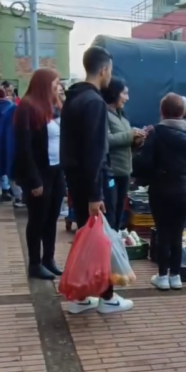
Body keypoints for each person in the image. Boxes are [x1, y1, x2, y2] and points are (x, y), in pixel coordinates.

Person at [60, 46, 133, 314]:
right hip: (95, 183)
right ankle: (107, 298)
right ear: (103, 70)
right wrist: (96, 194)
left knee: (86, 239)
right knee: (103, 240)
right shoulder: (94, 103)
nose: (109, 76)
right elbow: (94, 151)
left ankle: (81, 296)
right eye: (110, 71)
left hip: (77, 181)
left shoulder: (73, 98)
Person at [133, 93, 186, 291]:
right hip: (183, 189)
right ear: (182, 112)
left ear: (162, 111)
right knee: (178, 233)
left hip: (161, 188)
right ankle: (176, 276)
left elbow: (145, 162)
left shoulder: (157, 133)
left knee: (163, 232)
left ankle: (162, 276)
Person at [14, 68, 66, 280]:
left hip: (56, 171)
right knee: (37, 218)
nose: (59, 86)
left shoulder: (54, 107)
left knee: (52, 217)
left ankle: (49, 258)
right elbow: (24, 148)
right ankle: (35, 264)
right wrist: (34, 180)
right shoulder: (27, 107)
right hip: (38, 173)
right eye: (56, 83)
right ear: (45, 84)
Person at [102, 77, 145, 230]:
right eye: (124, 94)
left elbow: (126, 143)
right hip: (111, 174)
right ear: (114, 93)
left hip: (124, 172)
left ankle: (115, 240)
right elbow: (106, 141)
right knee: (111, 209)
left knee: (120, 209)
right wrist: (130, 135)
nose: (127, 98)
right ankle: (109, 245)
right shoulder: (104, 114)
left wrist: (136, 141)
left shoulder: (122, 116)